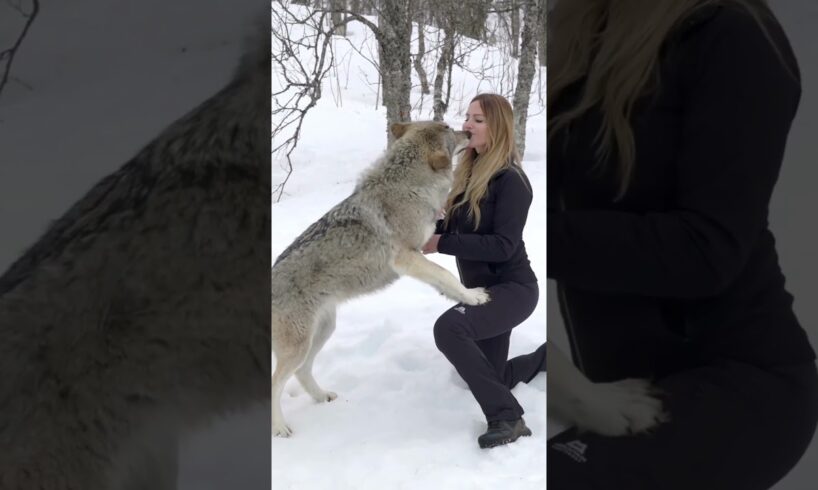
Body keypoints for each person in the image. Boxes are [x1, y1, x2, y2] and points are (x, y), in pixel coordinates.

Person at [547, 0, 818, 488]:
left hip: (742, 381)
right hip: (619, 386)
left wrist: (534, 239)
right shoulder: (580, 31)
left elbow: (707, 248)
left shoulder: (733, 34)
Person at [422, 93, 546, 449]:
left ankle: (507, 417)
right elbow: (456, 231)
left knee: (449, 328)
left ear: (497, 127)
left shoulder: (512, 181)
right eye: (467, 117)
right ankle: (549, 358)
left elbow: (502, 245)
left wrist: (441, 244)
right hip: (481, 291)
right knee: (494, 374)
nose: (467, 125)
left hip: (513, 290)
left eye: (478, 119)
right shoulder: (469, 174)